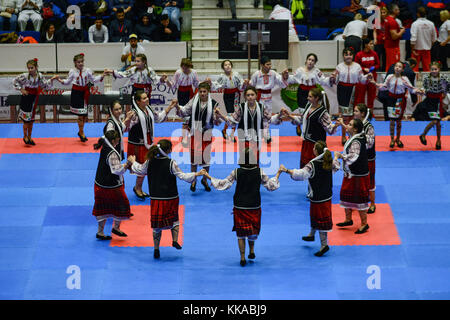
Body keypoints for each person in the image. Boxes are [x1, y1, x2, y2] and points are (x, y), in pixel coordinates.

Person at [203, 148, 281, 266]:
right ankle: (252, 251)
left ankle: (243, 257)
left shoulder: (236, 172)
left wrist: (208, 176)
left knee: (241, 234)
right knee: (252, 231)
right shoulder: (260, 172)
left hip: (240, 206)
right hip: (254, 205)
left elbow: (223, 184)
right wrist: (278, 173)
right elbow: (271, 186)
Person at [128, 139, 204, 259]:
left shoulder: (149, 162)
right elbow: (183, 176)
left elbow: (139, 170)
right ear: (168, 150)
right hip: (171, 197)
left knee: (157, 226)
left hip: (156, 198)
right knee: (175, 221)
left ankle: (156, 249)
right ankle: (174, 240)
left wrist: (133, 161)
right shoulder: (171, 163)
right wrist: (196, 174)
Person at [279, 141, 339, 257]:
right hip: (326, 195)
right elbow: (336, 166)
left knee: (321, 220)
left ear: (316, 151)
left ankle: (324, 245)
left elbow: (300, 174)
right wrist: (336, 157)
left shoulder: (313, 164)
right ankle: (311, 234)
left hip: (318, 197)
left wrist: (286, 170)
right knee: (315, 215)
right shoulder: (329, 160)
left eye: (314, 148)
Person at [127, 90, 177, 200]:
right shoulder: (134, 114)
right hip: (137, 144)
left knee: (146, 166)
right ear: (138, 102)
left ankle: (138, 187)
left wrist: (170, 106)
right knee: (141, 166)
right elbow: (126, 128)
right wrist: (127, 120)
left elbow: (158, 118)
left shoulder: (148, 109)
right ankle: (136, 187)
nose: (147, 99)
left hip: (148, 141)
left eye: (147, 97)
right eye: (144, 98)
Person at [174, 81, 222, 192]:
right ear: (198, 92)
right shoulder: (193, 101)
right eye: (200, 91)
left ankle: (205, 179)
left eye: (204, 91)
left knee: (206, 158)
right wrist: (177, 106)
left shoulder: (214, 104)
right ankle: (194, 179)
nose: (202, 93)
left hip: (207, 132)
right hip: (195, 132)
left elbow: (218, 122)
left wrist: (218, 116)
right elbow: (184, 111)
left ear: (208, 92)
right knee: (194, 158)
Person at [215, 86, 278, 166]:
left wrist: (279, 116)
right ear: (245, 96)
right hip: (243, 140)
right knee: (244, 163)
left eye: (252, 95)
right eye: (248, 95)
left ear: (256, 95)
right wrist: (221, 115)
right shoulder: (241, 107)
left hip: (256, 139)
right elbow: (232, 122)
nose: (250, 97)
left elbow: (269, 120)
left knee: (255, 163)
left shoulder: (262, 107)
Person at [51, 53, 106, 142]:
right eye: (78, 62)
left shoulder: (88, 70)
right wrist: (58, 79)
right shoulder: (72, 71)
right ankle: (81, 132)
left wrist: (102, 75)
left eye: (81, 62)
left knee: (84, 115)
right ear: (75, 63)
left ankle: (80, 132)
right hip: (76, 93)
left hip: (85, 93)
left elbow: (93, 80)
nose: (80, 63)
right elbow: (67, 82)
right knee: (80, 115)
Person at [280, 87, 339, 168]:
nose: (307, 98)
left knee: (316, 168)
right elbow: (302, 119)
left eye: (310, 96)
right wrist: (289, 116)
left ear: (316, 98)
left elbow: (329, 130)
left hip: (317, 145)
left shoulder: (323, 113)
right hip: (307, 142)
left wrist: (335, 125)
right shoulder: (308, 106)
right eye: (308, 96)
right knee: (306, 170)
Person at [92, 130, 133, 240]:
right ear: (113, 140)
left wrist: (124, 165)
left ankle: (101, 231)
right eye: (118, 140)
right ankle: (116, 227)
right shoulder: (112, 153)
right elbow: (117, 170)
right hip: (110, 185)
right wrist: (128, 163)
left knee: (102, 208)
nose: (119, 141)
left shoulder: (105, 147)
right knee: (122, 204)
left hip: (100, 183)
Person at [328, 47, 372, 146]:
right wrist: (332, 77)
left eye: (350, 54)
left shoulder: (357, 66)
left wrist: (367, 77)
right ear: (343, 56)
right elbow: (334, 80)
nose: (348, 56)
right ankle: (343, 136)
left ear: (353, 56)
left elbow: (362, 80)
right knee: (344, 115)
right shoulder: (339, 67)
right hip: (342, 90)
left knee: (352, 115)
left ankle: (352, 135)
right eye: (346, 54)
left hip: (353, 90)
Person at [374, 61, 423, 148]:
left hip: (400, 100)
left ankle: (398, 139)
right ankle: (392, 139)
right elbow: (384, 87)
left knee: (399, 121)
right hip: (391, 99)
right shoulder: (389, 77)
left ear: (402, 69)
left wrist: (418, 91)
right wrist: (374, 83)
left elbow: (411, 89)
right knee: (392, 120)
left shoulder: (405, 79)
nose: (397, 68)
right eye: (396, 66)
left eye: (399, 67)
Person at [334, 118, 370, 234]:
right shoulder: (356, 135)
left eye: (349, 124)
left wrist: (341, 156)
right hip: (352, 172)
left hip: (358, 174)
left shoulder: (356, 141)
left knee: (359, 198)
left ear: (355, 129)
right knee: (345, 194)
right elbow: (349, 129)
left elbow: (354, 156)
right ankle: (348, 219)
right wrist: (342, 124)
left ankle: (364, 223)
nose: (347, 126)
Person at [286, 53, 331, 136]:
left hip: (313, 93)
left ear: (315, 62)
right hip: (302, 93)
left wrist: (331, 78)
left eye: (313, 60)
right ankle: (299, 125)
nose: (310, 62)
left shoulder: (317, 71)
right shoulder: (300, 70)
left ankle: (309, 129)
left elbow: (323, 80)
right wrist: (286, 76)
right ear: (306, 60)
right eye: (309, 59)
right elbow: (292, 79)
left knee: (311, 111)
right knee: (302, 112)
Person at [249, 55, 289, 143]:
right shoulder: (257, 74)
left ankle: (266, 134)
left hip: (268, 97)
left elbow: (282, 83)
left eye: (270, 64)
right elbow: (251, 85)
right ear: (262, 65)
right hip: (258, 96)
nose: (269, 66)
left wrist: (284, 76)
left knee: (267, 116)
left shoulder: (273, 73)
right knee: (257, 115)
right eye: (267, 64)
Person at [12, 58, 51, 145]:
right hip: (26, 98)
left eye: (31, 68)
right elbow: (14, 81)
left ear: (36, 67)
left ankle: (30, 137)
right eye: (28, 68)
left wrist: (51, 81)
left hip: (34, 98)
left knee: (31, 120)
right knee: (26, 120)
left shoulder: (40, 76)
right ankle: (25, 136)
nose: (30, 70)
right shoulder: (25, 76)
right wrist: (21, 89)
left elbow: (45, 85)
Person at [345, 103, 376, 213]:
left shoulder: (368, 127)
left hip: (368, 159)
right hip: (356, 158)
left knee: (370, 182)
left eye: (356, 111)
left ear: (363, 114)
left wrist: (359, 136)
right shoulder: (355, 126)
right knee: (355, 181)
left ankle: (372, 204)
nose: (354, 113)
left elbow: (370, 143)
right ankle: (355, 202)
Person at [209, 59, 247, 142]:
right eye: (225, 65)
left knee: (236, 116)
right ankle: (225, 130)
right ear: (223, 68)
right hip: (227, 96)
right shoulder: (222, 77)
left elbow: (241, 85)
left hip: (236, 95)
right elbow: (216, 86)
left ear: (231, 66)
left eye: (229, 64)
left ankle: (232, 134)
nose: (228, 66)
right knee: (230, 115)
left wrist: (244, 84)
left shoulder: (236, 74)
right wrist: (210, 83)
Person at [416, 61, 449, 150]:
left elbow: (446, 89)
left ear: (439, 69)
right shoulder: (427, 78)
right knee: (435, 120)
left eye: (435, 69)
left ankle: (438, 140)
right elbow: (424, 88)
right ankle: (423, 134)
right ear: (430, 70)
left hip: (438, 101)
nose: (434, 71)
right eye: (432, 69)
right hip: (429, 101)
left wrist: (444, 96)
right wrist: (422, 91)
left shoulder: (443, 78)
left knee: (438, 122)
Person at [167, 58, 199, 147]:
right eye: (184, 68)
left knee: (192, 114)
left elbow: (197, 84)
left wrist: (206, 83)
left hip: (190, 93)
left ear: (190, 67)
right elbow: (172, 85)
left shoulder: (194, 72)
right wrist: (166, 81)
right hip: (181, 93)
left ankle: (191, 134)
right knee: (184, 115)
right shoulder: (178, 73)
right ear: (181, 67)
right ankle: (184, 137)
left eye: (187, 68)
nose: (185, 70)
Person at [268, 1, 301, 72]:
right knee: (296, 58)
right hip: (293, 34)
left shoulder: (272, 14)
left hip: (281, 36)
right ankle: (298, 74)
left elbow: (272, 29)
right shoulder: (288, 11)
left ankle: (282, 74)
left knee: (280, 58)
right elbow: (293, 23)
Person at [354, 38, 380, 114]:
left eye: (372, 44)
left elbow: (378, 64)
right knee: (360, 97)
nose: (372, 45)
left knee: (371, 96)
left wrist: (373, 68)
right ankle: (360, 113)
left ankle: (370, 114)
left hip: (372, 77)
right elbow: (356, 65)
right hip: (361, 78)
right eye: (370, 43)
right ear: (365, 45)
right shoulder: (359, 54)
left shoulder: (374, 54)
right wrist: (363, 69)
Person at [410, 7, 437, 72]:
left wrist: (412, 49)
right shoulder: (431, 24)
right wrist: (429, 45)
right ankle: (427, 81)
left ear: (418, 14)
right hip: (427, 49)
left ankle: (414, 81)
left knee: (414, 67)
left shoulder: (415, 24)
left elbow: (413, 38)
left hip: (416, 49)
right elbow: (434, 38)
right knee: (427, 68)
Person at [384, 3, 405, 72]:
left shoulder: (387, 19)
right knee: (393, 66)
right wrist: (402, 31)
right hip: (393, 48)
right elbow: (394, 37)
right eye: (398, 9)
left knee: (390, 65)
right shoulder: (392, 21)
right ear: (394, 10)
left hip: (389, 46)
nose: (399, 11)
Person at [373, 5, 388, 71]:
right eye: (381, 12)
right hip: (379, 41)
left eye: (384, 12)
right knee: (378, 57)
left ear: (386, 13)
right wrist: (375, 39)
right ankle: (377, 70)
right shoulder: (377, 20)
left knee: (385, 57)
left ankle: (384, 70)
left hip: (386, 42)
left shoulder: (388, 20)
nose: (382, 14)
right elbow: (375, 31)